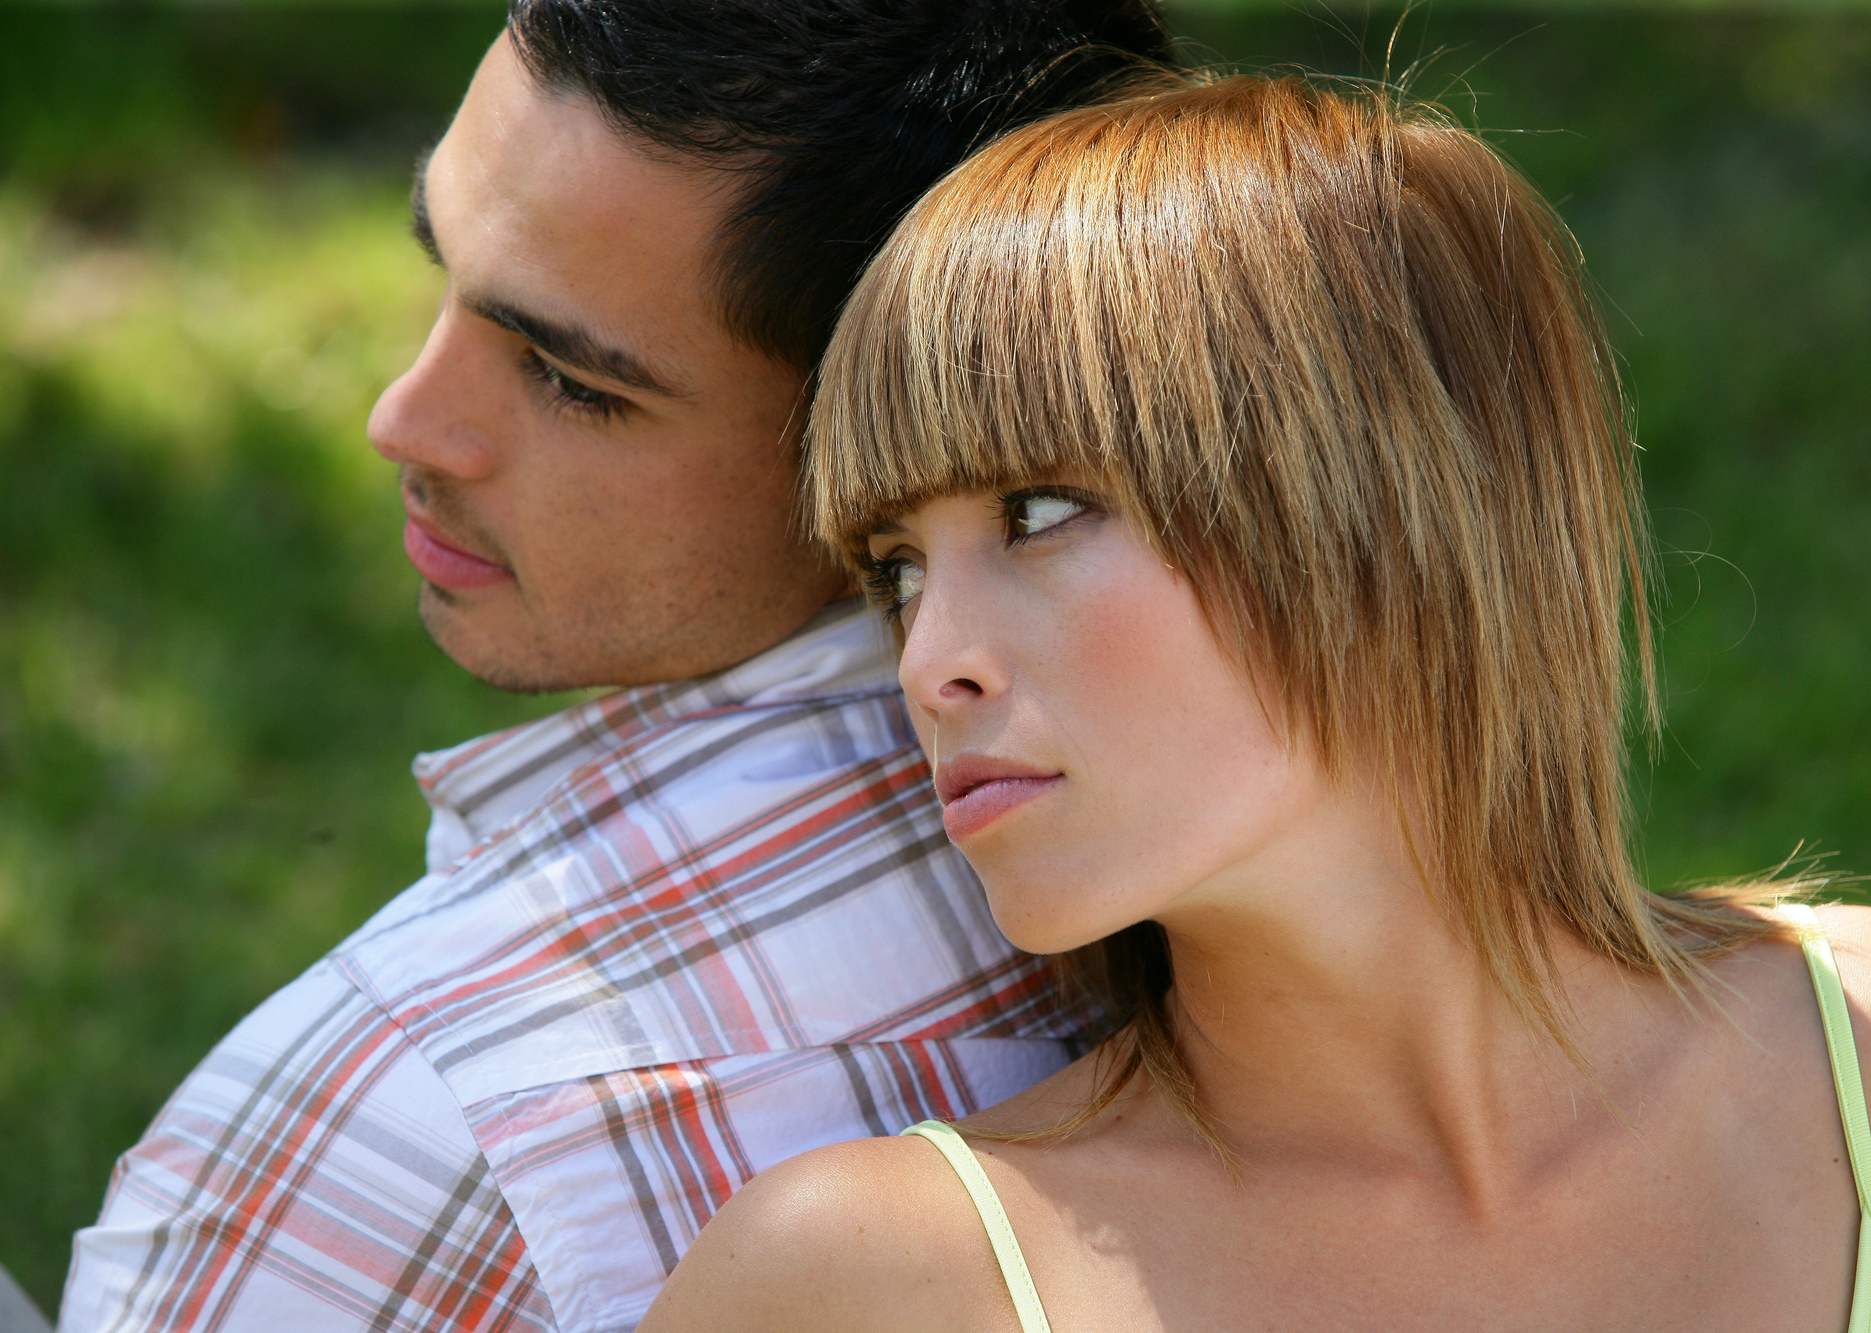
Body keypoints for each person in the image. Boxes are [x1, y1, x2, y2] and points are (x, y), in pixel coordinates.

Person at [642, 72, 1871, 1332]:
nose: (932, 660)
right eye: (895, 570)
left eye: (1041, 511)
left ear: (1392, 498)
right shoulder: (872, 1283)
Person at [58, 4, 1174, 1331]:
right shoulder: (1307, 847)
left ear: (916, 421)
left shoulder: (401, 1124)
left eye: (573, 383)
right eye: (441, 268)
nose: (403, 418)